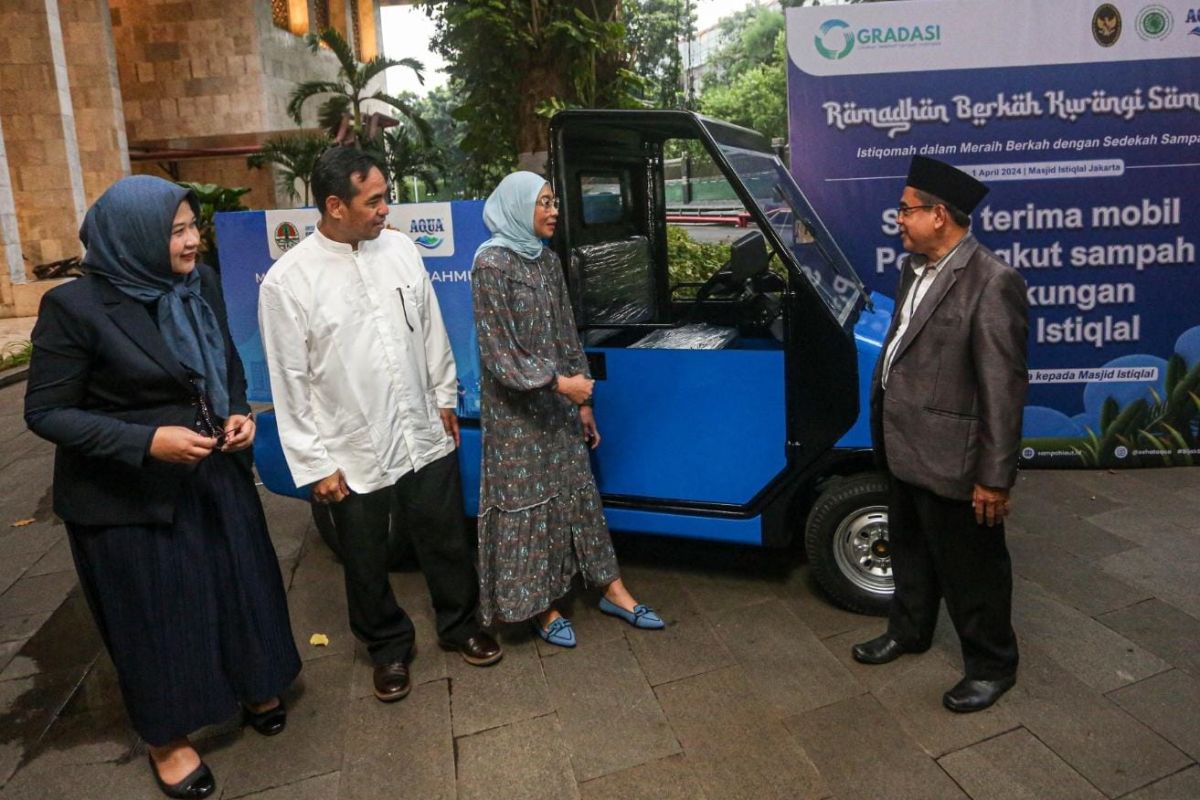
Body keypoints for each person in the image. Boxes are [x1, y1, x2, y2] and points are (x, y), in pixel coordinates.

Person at [24, 176, 300, 799]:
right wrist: (146, 443)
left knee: (238, 583)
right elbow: (46, 413)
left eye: (191, 227)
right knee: (156, 616)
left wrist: (236, 410)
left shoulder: (195, 283)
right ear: (135, 239)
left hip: (210, 471)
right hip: (129, 498)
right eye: (175, 231)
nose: (191, 241)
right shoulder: (76, 309)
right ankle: (167, 737)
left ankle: (256, 680)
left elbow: (221, 357)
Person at [258, 148, 502, 704]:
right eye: (374, 200)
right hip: (350, 442)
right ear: (335, 205)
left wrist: (444, 393)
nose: (386, 210)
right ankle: (387, 646)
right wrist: (314, 462)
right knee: (365, 555)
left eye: (386, 196)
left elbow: (430, 323)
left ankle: (460, 624)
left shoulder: (400, 249)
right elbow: (289, 381)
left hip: (420, 422)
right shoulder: (287, 282)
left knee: (442, 531)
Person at [851, 156, 1029, 713]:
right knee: (910, 550)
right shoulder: (914, 268)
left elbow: (1003, 389)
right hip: (903, 442)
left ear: (940, 215)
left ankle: (992, 665)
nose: (897, 220)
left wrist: (994, 479)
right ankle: (908, 630)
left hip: (955, 459)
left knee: (973, 570)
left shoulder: (993, 283)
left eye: (905, 211)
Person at [471, 171, 663, 648]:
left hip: (560, 404)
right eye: (543, 202)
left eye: (554, 201)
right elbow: (501, 357)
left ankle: (611, 588)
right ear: (517, 207)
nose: (553, 210)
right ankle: (541, 606)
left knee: (577, 493)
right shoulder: (491, 265)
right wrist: (561, 384)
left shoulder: (546, 261)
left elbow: (564, 334)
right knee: (528, 505)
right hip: (517, 417)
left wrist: (583, 403)